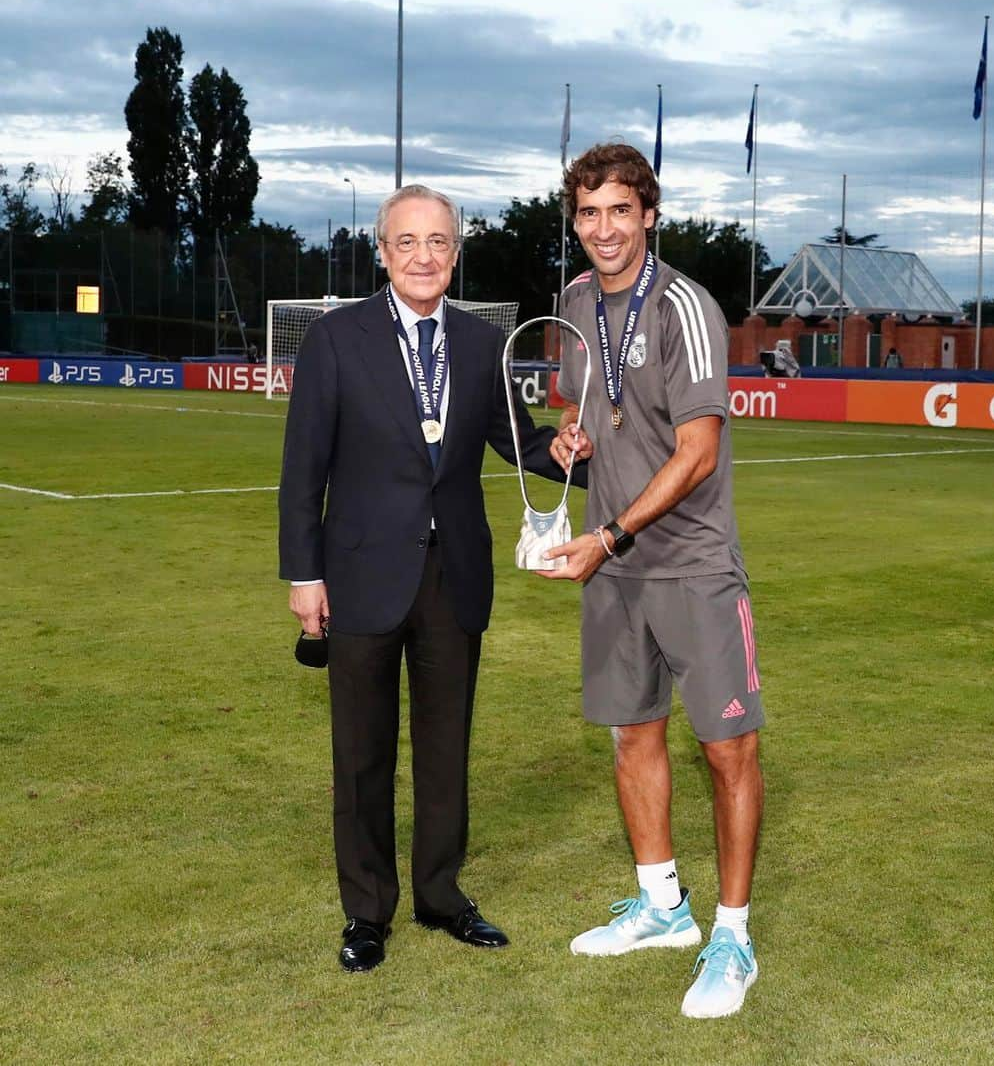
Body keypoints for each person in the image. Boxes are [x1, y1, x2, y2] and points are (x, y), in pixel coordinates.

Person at [279, 183, 583, 973]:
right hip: (358, 575)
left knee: (446, 748)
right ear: (382, 252)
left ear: (456, 252)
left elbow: (516, 440)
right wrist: (303, 574)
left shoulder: (484, 345)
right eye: (407, 241)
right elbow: (301, 468)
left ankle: (442, 894)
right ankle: (366, 910)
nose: (424, 255)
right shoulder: (336, 339)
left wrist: (572, 452)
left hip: (454, 577)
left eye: (438, 241)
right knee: (362, 751)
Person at [544, 143, 765, 1018]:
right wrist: (571, 435)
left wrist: (609, 533)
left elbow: (698, 451)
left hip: (692, 563)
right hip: (614, 568)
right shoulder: (569, 303)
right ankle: (663, 907)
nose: (604, 229)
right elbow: (581, 407)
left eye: (620, 211)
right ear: (577, 221)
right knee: (632, 735)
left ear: (649, 215)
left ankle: (734, 933)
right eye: (589, 213)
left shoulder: (685, 305)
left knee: (726, 749)